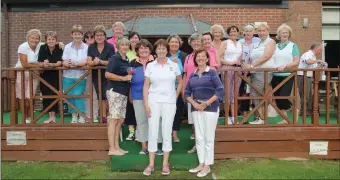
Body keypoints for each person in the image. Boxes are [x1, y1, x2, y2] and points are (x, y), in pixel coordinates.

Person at [142, 39, 183, 176]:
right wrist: (146, 104)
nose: (161, 51)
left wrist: (176, 96)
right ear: (155, 50)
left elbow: (180, 81)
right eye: (158, 48)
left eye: (163, 48)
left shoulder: (174, 64)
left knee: (166, 131)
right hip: (153, 102)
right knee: (153, 131)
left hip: (169, 103)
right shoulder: (150, 66)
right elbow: (146, 85)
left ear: (167, 50)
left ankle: (165, 163)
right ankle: (151, 164)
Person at [185, 49, 224, 178]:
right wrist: (195, 104)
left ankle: (207, 165)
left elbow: (220, 91)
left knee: (208, 138)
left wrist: (206, 103)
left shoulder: (212, 72)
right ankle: (201, 163)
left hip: (210, 109)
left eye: (203, 56)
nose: (200, 58)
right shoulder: (192, 75)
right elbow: (186, 93)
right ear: (195, 59)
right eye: (198, 56)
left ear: (207, 59)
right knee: (200, 138)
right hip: (196, 109)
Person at [243, 23, 276, 124]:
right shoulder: (258, 43)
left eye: (263, 31)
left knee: (258, 94)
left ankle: (262, 118)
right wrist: (247, 66)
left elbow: (266, 56)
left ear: (267, 31)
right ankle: (260, 118)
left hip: (264, 72)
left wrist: (251, 65)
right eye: (259, 31)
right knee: (255, 94)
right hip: (255, 72)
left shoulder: (271, 41)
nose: (261, 33)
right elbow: (252, 56)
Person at [105, 37, 131, 156]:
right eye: (122, 45)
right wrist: (123, 78)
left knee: (119, 120)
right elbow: (107, 74)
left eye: (127, 45)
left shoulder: (127, 59)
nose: (125, 47)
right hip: (114, 91)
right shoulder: (115, 58)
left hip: (123, 93)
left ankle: (117, 147)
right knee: (114, 119)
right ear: (118, 46)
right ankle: (112, 148)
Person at [130, 39, 155, 154]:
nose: (144, 50)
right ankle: (144, 146)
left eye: (146, 48)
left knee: (154, 121)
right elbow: (128, 80)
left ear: (150, 50)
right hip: (137, 96)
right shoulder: (132, 64)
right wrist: (130, 94)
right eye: (141, 48)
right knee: (141, 121)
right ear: (137, 50)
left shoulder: (155, 62)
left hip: (154, 97)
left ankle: (153, 146)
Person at [273, 23, 300, 124]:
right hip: (275, 75)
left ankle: (294, 110)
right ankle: (284, 119)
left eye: (286, 32)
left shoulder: (293, 46)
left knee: (284, 97)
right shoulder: (275, 46)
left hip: (288, 75)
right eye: (282, 32)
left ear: (289, 34)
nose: (284, 34)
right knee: (278, 99)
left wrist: (285, 66)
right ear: (279, 34)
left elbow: (296, 61)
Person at [87, 25, 115, 123]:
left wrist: (101, 62)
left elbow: (112, 62)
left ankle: (108, 115)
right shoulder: (91, 47)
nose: (99, 37)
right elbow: (89, 62)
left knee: (107, 95)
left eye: (101, 35)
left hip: (108, 75)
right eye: (97, 35)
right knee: (100, 95)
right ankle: (102, 116)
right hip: (96, 75)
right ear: (94, 36)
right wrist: (94, 63)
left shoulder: (110, 47)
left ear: (105, 36)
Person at [62, 25, 88, 124]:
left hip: (81, 76)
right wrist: (67, 63)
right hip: (67, 75)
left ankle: (81, 115)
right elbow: (64, 60)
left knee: (77, 95)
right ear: (72, 35)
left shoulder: (86, 47)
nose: (77, 36)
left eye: (79, 34)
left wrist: (76, 64)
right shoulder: (67, 46)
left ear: (82, 35)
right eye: (75, 34)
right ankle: (74, 115)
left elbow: (86, 60)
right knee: (69, 96)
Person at [15, 29, 42, 124]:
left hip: (34, 73)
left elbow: (50, 43)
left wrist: (60, 43)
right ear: (28, 38)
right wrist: (40, 65)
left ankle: (30, 118)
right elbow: (25, 64)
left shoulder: (40, 46)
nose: (34, 40)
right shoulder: (22, 46)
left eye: (37, 38)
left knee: (31, 96)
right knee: (22, 96)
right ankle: (24, 118)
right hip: (22, 73)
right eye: (32, 38)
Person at [217, 25, 243, 125]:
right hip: (227, 69)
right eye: (231, 32)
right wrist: (230, 63)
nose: (233, 33)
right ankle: (227, 116)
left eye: (235, 31)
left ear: (237, 33)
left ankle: (234, 116)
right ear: (228, 33)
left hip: (238, 70)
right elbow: (218, 57)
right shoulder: (225, 42)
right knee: (227, 93)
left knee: (235, 94)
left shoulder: (240, 43)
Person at [183, 33, 203, 154]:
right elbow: (185, 75)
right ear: (190, 43)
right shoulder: (188, 57)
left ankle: (203, 145)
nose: (196, 43)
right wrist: (184, 92)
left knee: (202, 121)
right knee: (194, 122)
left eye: (198, 41)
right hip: (190, 93)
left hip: (202, 93)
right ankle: (197, 145)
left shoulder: (205, 56)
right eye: (193, 41)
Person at [38, 31, 63, 123]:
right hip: (45, 75)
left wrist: (51, 65)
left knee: (55, 95)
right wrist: (44, 64)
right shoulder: (42, 47)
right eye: (49, 39)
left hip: (56, 75)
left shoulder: (60, 47)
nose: (51, 41)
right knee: (46, 94)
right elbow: (40, 62)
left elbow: (60, 62)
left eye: (53, 39)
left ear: (56, 40)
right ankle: (50, 117)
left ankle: (53, 117)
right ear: (46, 40)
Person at [166, 34, 187, 142]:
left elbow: (185, 74)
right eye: (172, 42)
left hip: (179, 88)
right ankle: (166, 133)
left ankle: (174, 134)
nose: (174, 44)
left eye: (176, 42)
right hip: (165, 89)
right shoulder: (163, 55)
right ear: (168, 43)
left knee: (177, 111)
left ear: (179, 44)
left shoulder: (184, 56)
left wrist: (181, 90)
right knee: (166, 112)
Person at [238, 24, 260, 121]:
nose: (248, 33)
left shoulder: (258, 41)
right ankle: (245, 116)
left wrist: (251, 66)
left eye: (250, 31)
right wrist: (244, 67)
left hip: (255, 70)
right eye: (246, 31)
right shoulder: (240, 42)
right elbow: (238, 56)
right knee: (244, 93)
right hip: (243, 71)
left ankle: (257, 116)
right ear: (244, 32)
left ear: (253, 32)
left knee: (256, 93)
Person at [297, 42, 324, 116]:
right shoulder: (307, 54)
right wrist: (318, 61)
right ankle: (304, 111)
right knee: (304, 95)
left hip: (308, 76)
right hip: (303, 76)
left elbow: (314, 68)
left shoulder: (313, 56)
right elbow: (308, 61)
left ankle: (308, 111)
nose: (320, 51)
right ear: (315, 48)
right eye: (320, 49)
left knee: (308, 95)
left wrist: (320, 65)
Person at [125, 31, 141, 140]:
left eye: (136, 38)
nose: (134, 40)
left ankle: (140, 131)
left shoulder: (144, 53)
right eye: (132, 38)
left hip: (141, 87)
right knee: (130, 108)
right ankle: (131, 132)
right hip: (129, 84)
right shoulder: (126, 53)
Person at [83, 30, 99, 122]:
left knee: (95, 96)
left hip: (94, 74)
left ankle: (95, 115)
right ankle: (87, 116)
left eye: (91, 37)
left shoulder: (96, 47)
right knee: (85, 95)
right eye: (87, 37)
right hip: (82, 75)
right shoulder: (82, 47)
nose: (89, 39)